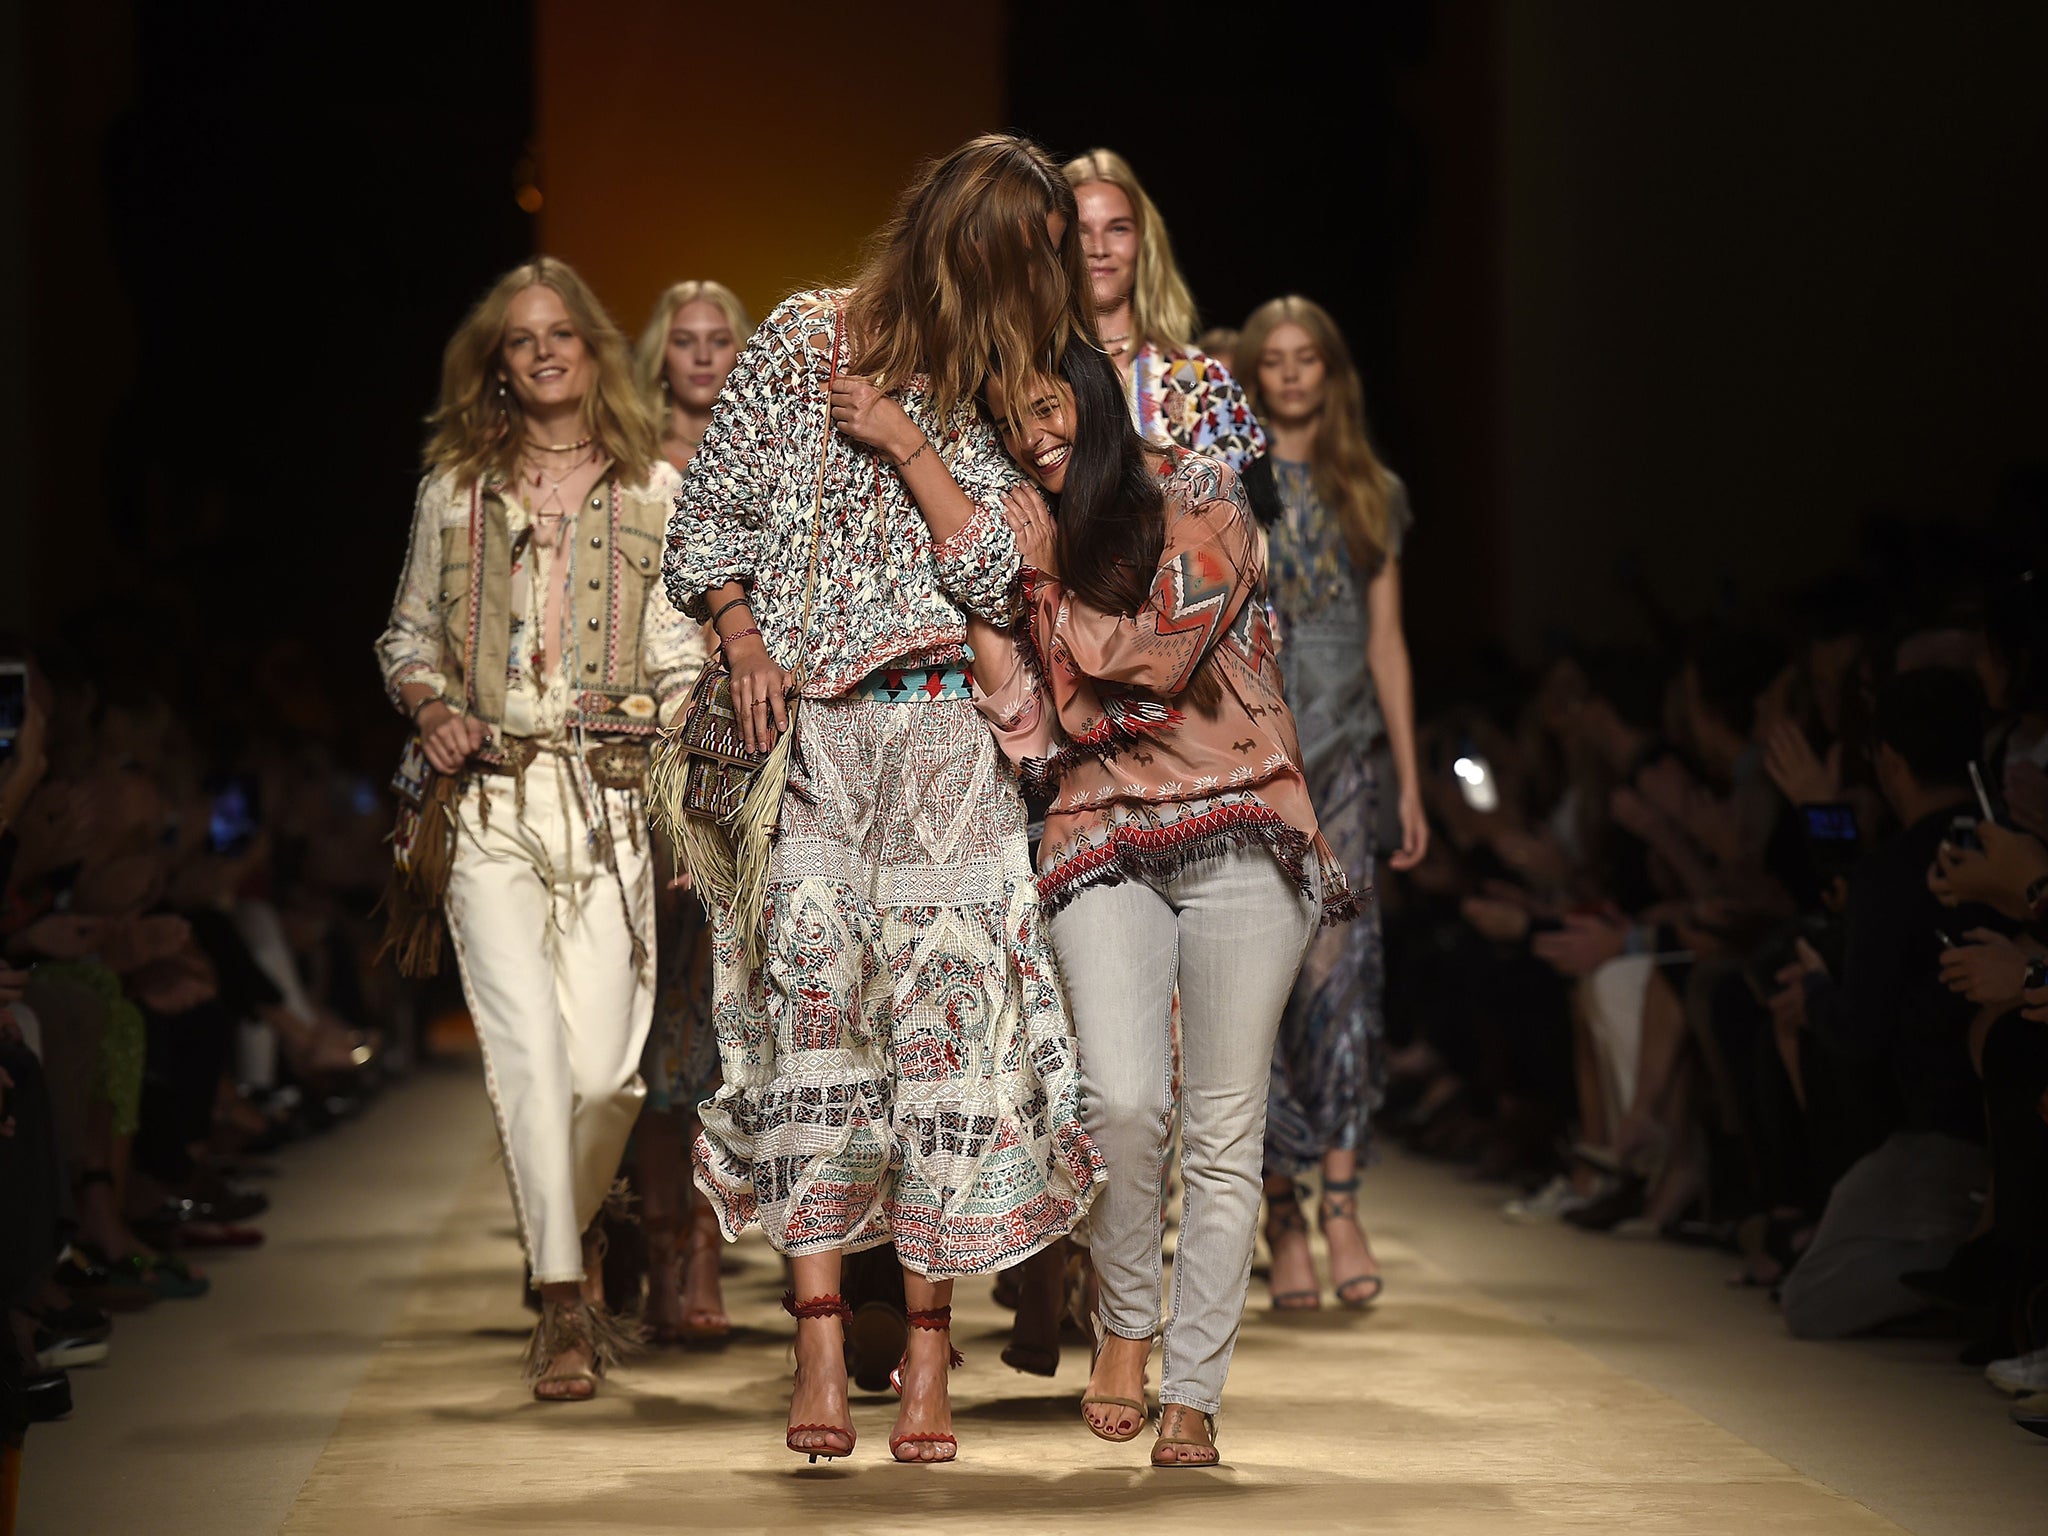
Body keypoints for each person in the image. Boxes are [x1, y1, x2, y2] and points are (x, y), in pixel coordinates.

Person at [663, 134, 1105, 1465]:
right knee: (816, 1040)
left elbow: (992, 583)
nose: (1026, 279)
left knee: (941, 1051)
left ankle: (926, 1359)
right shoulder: (805, 336)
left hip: (945, 747)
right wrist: (740, 638)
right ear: (953, 236)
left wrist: (910, 438)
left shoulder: (1001, 390)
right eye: (1012, 251)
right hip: (818, 745)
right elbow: (710, 524)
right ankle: (813, 1346)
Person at [964, 338, 1355, 1467]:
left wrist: (1037, 593)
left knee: (1226, 1128)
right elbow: (1038, 697)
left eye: (1045, 409)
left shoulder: (1203, 494)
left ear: (1089, 396)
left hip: (1240, 817)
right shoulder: (1023, 518)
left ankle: (1193, 1388)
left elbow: (1149, 654)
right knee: (1123, 1102)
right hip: (1097, 831)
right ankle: (1125, 1319)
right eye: (1007, 421)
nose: (1031, 437)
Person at [375, 257, 707, 1400]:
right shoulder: (454, 489)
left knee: (611, 1075)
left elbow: (680, 653)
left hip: (610, 797)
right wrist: (430, 709)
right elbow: (405, 635)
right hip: (491, 797)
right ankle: (563, 1302)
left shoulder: (650, 489)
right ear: (498, 367)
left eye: (563, 332)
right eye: (523, 339)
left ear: (593, 349)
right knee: (525, 1055)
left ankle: (561, 1240)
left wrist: (668, 723)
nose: (546, 350)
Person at [1235, 295, 1427, 1309]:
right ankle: (1282, 1217)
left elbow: (1387, 638)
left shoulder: (1368, 488)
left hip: (1347, 757)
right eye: (1275, 359)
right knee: (1257, 988)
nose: (1293, 373)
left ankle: (1341, 1201)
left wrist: (1407, 775)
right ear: (1254, 373)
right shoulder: (1239, 478)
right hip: (1258, 757)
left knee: (1339, 979)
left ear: (1330, 371)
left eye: (1308, 357)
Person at [629, 280, 755, 1346]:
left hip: (764, 737)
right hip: (668, 744)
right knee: (677, 1006)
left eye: (724, 341)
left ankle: (724, 1232)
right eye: (688, 341)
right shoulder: (632, 470)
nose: (706, 356)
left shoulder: (763, 452)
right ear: (657, 354)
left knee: (747, 1000)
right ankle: (678, 1251)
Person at [1062, 149, 1264, 474]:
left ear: (1144, 242)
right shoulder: (1030, 372)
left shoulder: (1197, 377)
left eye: (1118, 229)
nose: (1098, 248)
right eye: (1081, 231)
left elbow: (1244, 517)